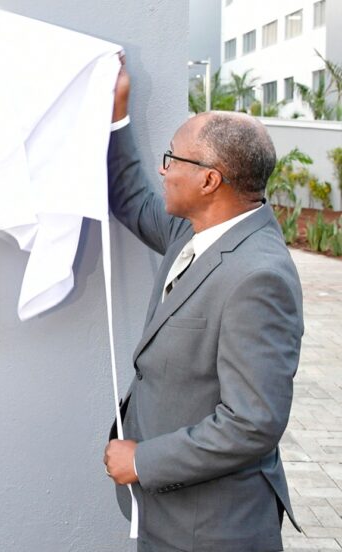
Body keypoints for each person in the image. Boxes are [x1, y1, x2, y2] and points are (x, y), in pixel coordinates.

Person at [103, 56, 304, 551]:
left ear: (209, 180)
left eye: (172, 159)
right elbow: (131, 200)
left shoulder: (258, 276)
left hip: (214, 529)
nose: (163, 169)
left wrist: (142, 460)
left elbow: (252, 422)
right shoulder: (194, 231)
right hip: (171, 514)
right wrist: (117, 110)